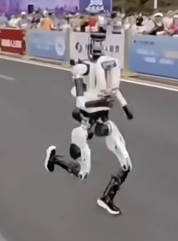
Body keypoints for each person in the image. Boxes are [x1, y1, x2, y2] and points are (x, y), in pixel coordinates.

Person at [44, 33, 134, 216]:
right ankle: (54, 159)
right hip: (87, 118)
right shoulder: (85, 67)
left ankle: (107, 198)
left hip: (104, 119)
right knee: (83, 172)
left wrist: (125, 108)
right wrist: (80, 93)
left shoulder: (106, 69)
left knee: (126, 163)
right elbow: (77, 74)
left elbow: (115, 90)